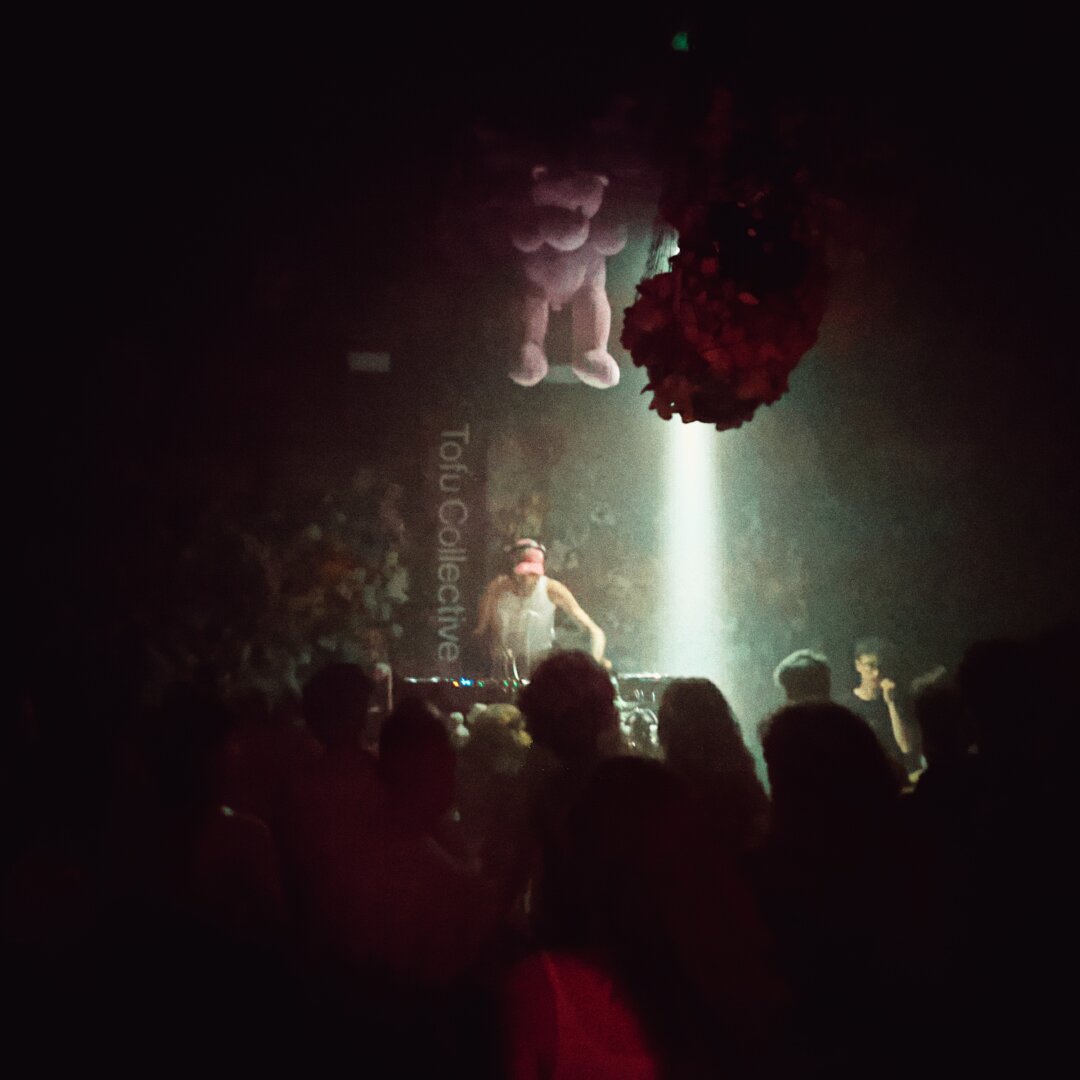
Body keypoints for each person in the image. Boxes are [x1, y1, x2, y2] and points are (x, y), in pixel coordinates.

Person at [474, 539, 606, 679]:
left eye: (533, 574)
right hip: (503, 670)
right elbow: (480, 632)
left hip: (540, 668)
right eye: (523, 573)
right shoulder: (496, 590)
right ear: (512, 566)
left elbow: (594, 631)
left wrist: (595, 663)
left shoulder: (552, 589)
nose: (527, 579)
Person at [849, 637, 915, 776]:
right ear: (858, 665)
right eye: (870, 665)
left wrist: (891, 703)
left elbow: (906, 746)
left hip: (898, 776)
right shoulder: (848, 705)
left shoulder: (897, 698)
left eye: (880, 666)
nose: (877, 672)